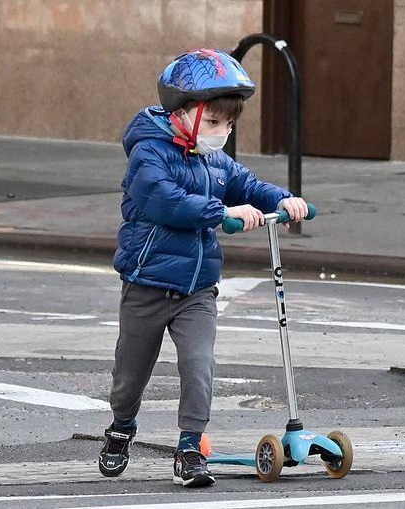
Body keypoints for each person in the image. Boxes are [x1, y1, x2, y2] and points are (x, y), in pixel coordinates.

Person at [97, 48, 308, 487]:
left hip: (197, 290)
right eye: (212, 123)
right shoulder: (148, 153)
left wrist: (283, 199)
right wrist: (220, 213)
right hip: (148, 284)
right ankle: (121, 427)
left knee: (199, 365)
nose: (222, 133)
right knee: (130, 375)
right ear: (182, 113)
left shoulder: (213, 160)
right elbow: (164, 199)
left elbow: (247, 183)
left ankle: (190, 448)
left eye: (228, 125)